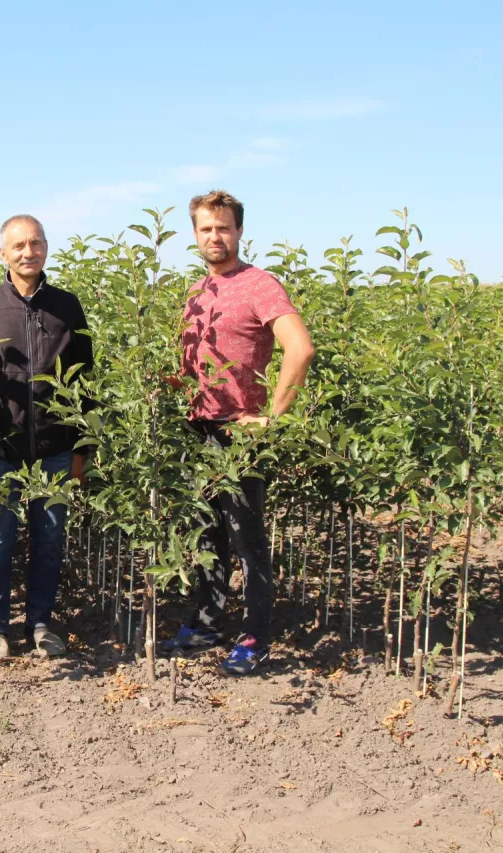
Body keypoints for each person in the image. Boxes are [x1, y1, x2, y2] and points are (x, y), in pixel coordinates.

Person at [161, 189, 315, 675]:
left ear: (239, 231)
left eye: (223, 227)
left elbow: (301, 348)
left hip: (240, 437)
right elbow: (192, 365)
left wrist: (273, 416)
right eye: (206, 228)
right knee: (206, 535)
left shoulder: (260, 285)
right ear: (194, 235)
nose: (214, 236)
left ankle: (255, 636)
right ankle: (208, 622)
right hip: (198, 430)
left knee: (246, 539)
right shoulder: (196, 293)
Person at [0, 214, 93, 661]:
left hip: (54, 447)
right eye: (19, 245)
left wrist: (82, 449)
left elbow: (86, 383)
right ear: (3, 253)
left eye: (36, 243)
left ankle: (40, 623)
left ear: (46, 247)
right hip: (0, 449)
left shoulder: (67, 307)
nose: (28, 252)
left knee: (50, 538)